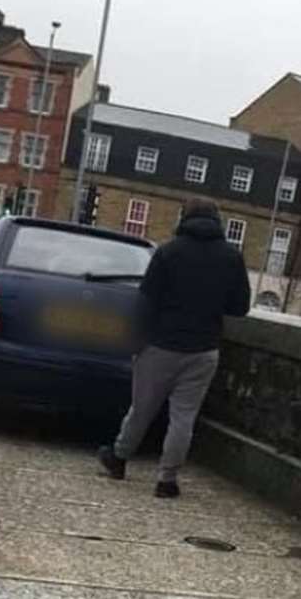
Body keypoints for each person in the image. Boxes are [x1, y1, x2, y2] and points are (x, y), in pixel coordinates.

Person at [97, 197, 251, 498]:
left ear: (184, 218)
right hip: (204, 349)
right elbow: (240, 307)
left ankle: (119, 458)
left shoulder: (169, 252)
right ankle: (167, 480)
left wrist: (135, 341)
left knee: (142, 408)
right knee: (184, 416)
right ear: (217, 220)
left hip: (160, 345)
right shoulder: (232, 257)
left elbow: (146, 301)